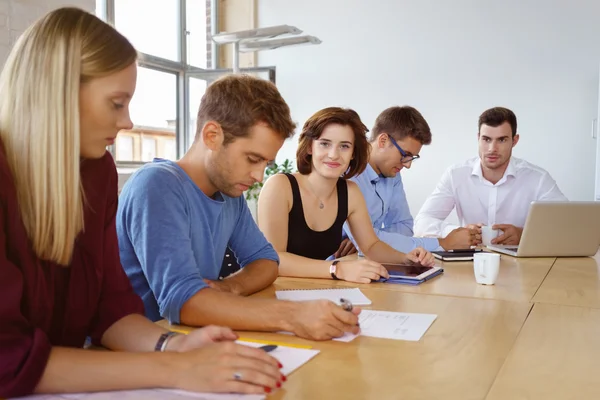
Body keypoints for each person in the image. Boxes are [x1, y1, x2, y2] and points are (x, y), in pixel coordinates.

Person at [0, 8, 283, 398]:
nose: (128, 122)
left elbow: (111, 309)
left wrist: (173, 345)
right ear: (57, 93)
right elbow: (9, 359)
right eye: (117, 103)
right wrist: (174, 366)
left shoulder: (96, 173)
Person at [117, 75, 360, 342]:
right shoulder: (157, 185)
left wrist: (230, 287)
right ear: (212, 136)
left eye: (266, 162)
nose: (259, 175)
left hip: (192, 339)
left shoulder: (228, 193)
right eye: (253, 159)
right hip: (142, 348)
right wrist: (293, 315)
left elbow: (267, 262)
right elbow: (182, 301)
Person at [256, 107, 436, 284]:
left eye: (344, 146)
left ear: (352, 153)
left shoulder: (350, 192)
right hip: (277, 292)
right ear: (310, 147)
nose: (334, 155)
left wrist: (405, 259)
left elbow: (371, 246)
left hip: (317, 290)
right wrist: (338, 269)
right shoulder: (279, 186)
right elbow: (274, 260)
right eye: (324, 144)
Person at [414, 106, 567, 245]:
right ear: (478, 137)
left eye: (501, 140)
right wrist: (458, 232)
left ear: (514, 141)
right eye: (486, 139)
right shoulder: (456, 174)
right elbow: (421, 223)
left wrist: (525, 234)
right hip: (470, 263)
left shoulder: (537, 178)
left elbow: (567, 225)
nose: (492, 149)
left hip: (521, 265)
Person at [342, 106, 478, 253]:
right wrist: (442, 243)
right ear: (383, 140)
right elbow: (367, 245)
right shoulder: (346, 174)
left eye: (412, 157)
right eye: (405, 155)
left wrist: (368, 239)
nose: (407, 165)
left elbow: (405, 226)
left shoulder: (392, 174)